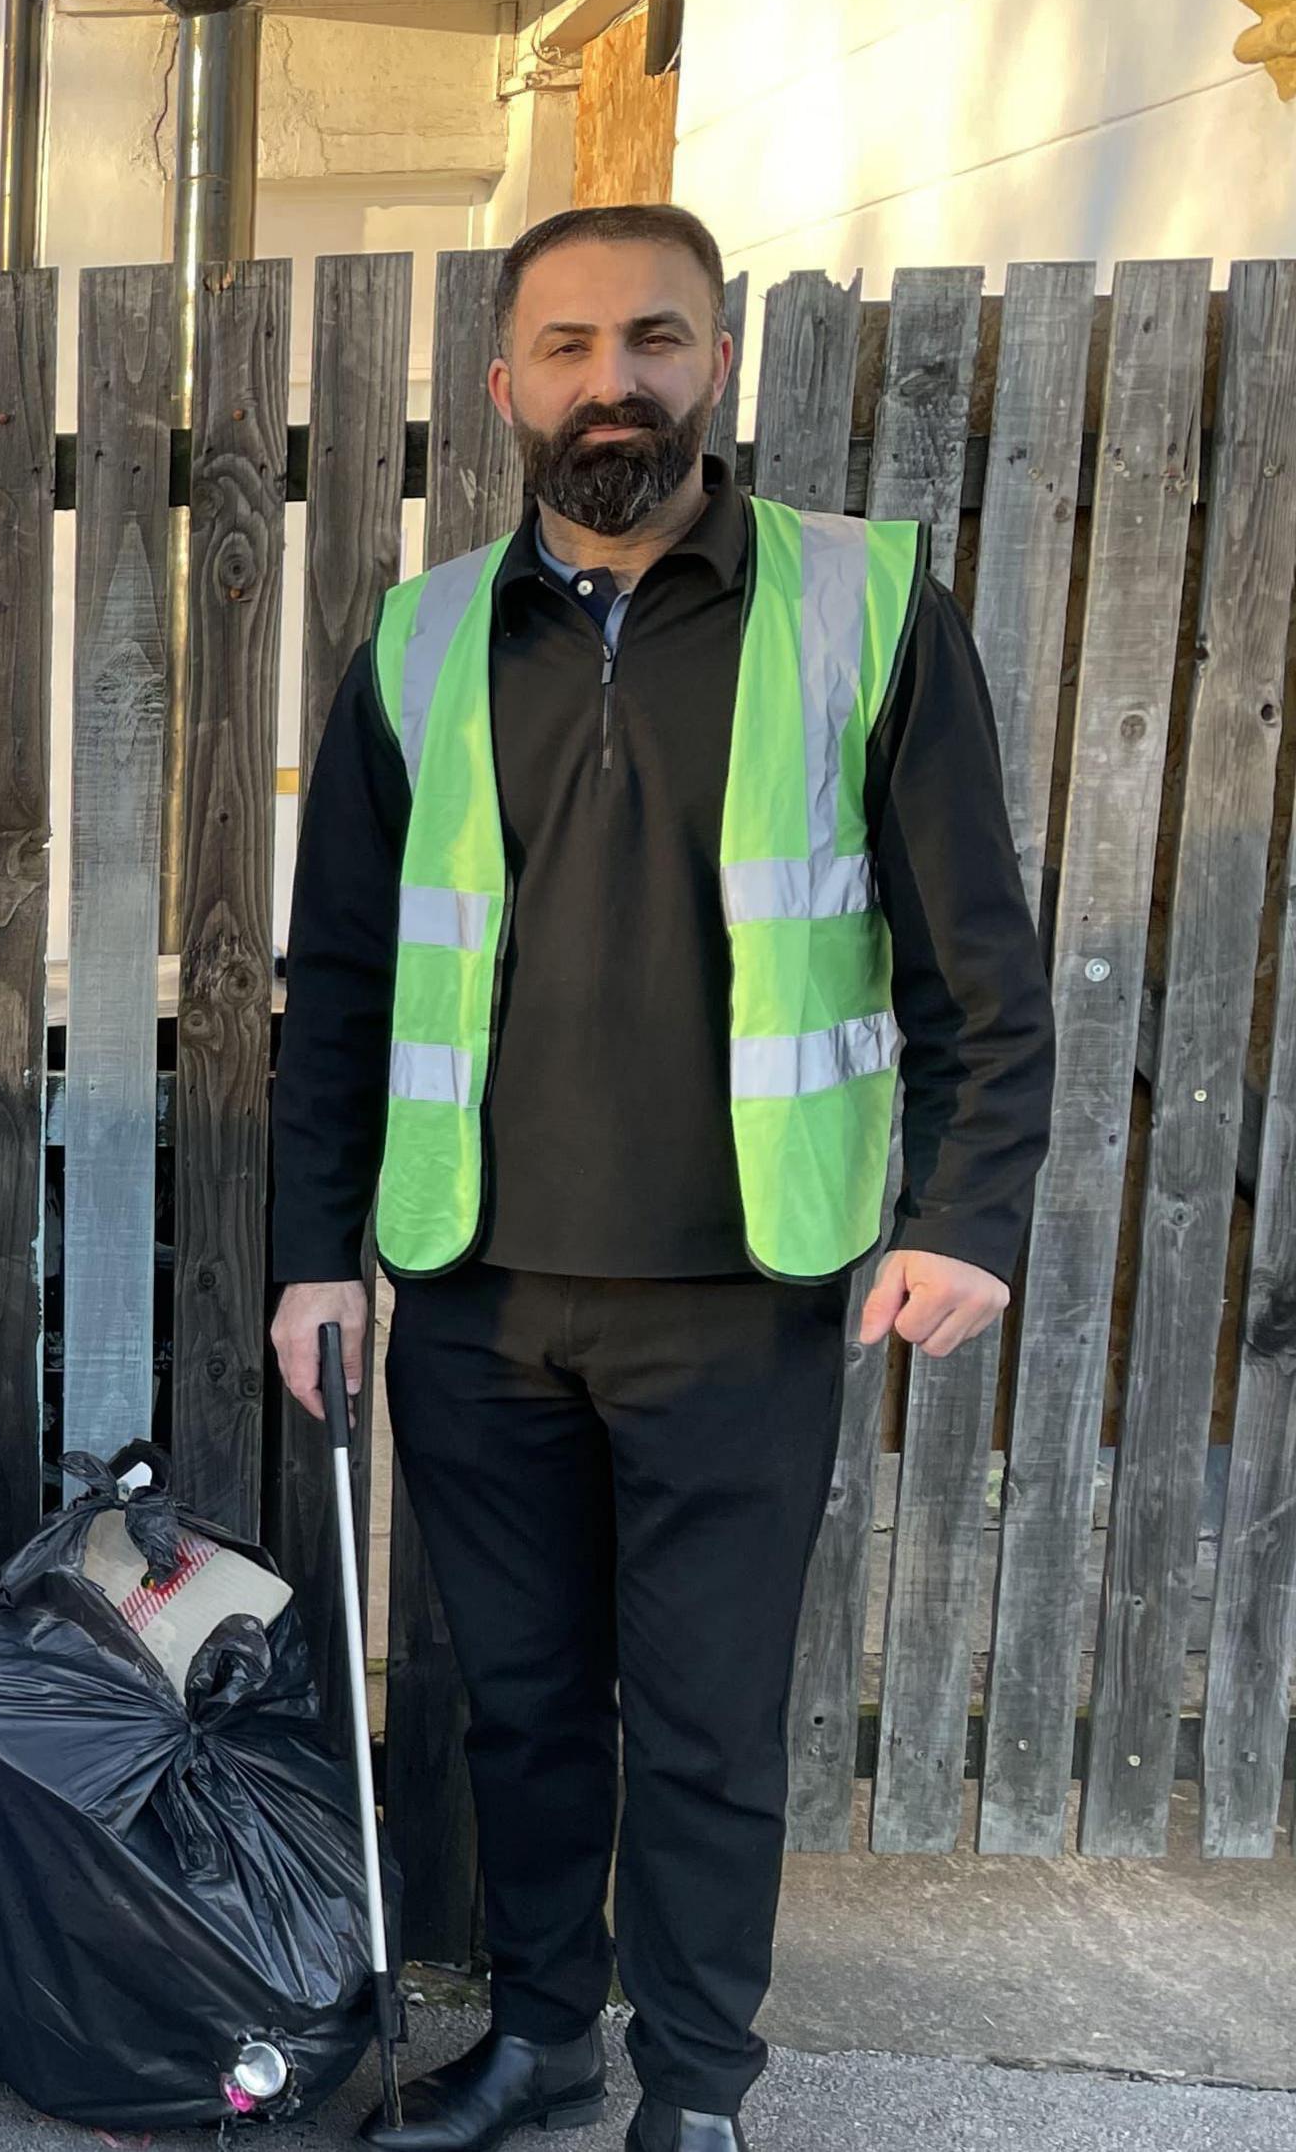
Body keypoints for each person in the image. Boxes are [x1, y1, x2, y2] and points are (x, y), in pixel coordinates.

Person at [271, 204, 1053, 2152]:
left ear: (715, 363)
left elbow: (981, 963)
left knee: (705, 1732)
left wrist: (966, 1213)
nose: (609, 380)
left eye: (652, 338)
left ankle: (695, 2097)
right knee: (522, 1716)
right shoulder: (420, 638)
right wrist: (315, 1260)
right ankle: (547, 2042)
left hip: (745, 1296)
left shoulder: (865, 607)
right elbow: (344, 985)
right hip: (472, 1297)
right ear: (504, 386)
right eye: (565, 347)